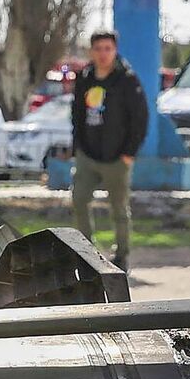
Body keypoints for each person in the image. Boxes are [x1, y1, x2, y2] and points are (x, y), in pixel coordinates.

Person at [69, 29, 149, 270]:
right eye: (98, 49)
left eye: (108, 49)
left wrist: (129, 153)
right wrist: (77, 146)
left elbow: (140, 118)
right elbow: (76, 114)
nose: (103, 54)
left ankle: (121, 255)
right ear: (91, 51)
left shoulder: (127, 80)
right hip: (88, 154)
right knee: (79, 199)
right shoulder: (84, 77)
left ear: (115, 51)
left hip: (117, 157)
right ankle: (86, 252)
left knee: (119, 208)